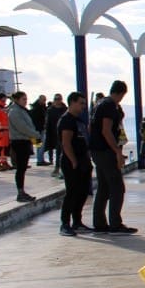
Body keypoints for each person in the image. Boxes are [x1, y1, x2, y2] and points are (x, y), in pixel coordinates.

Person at [88, 80, 135, 233]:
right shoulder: (109, 106)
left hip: (98, 150)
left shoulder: (100, 104)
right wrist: (117, 152)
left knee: (104, 187)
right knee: (117, 188)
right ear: (122, 93)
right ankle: (115, 223)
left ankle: (99, 223)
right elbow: (106, 130)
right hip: (105, 151)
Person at [57, 92, 93, 236]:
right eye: (80, 103)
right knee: (72, 193)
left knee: (83, 192)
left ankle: (77, 221)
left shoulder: (79, 120)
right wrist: (73, 161)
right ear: (72, 102)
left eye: (84, 103)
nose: (83, 106)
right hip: (72, 162)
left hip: (83, 161)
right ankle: (65, 224)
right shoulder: (67, 120)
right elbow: (66, 143)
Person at [6, 91, 38, 202]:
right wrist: (35, 135)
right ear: (17, 99)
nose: (26, 101)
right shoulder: (14, 112)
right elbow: (22, 127)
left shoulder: (21, 111)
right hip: (19, 142)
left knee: (22, 168)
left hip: (24, 141)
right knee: (20, 168)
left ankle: (22, 191)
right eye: (24, 99)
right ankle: (20, 192)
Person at [45, 93, 66, 177]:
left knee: (63, 151)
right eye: (56, 99)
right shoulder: (50, 110)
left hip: (63, 133)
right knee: (58, 151)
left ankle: (62, 168)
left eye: (59, 99)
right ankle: (57, 167)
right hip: (54, 133)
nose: (58, 101)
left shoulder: (65, 109)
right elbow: (48, 122)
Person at [30, 94, 49, 165]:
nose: (44, 101)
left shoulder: (41, 108)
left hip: (39, 129)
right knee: (40, 146)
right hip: (37, 130)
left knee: (39, 146)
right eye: (43, 100)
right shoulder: (36, 109)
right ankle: (40, 160)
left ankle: (40, 159)